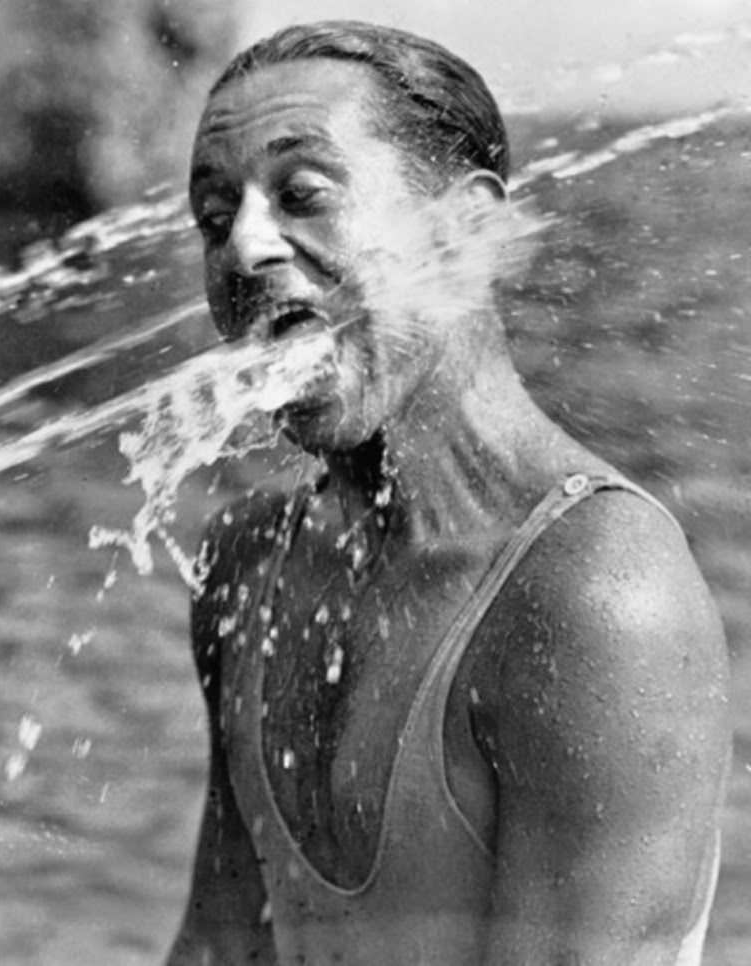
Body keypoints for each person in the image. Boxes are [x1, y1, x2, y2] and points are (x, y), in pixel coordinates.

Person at [167, 20, 730, 966]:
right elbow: (220, 947)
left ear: (469, 228)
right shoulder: (246, 561)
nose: (245, 247)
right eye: (214, 216)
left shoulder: (592, 595)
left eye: (302, 193)